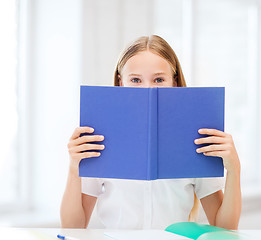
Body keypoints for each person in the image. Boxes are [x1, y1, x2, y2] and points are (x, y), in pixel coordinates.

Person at [60, 35, 241, 230]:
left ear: (175, 82)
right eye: (136, 79)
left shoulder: (196, 138)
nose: (147, 89)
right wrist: (73, 167)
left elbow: (225, 228)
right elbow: (73, 227)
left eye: (159, 79)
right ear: (121, 83)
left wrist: (234, 169)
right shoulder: (100, 139)